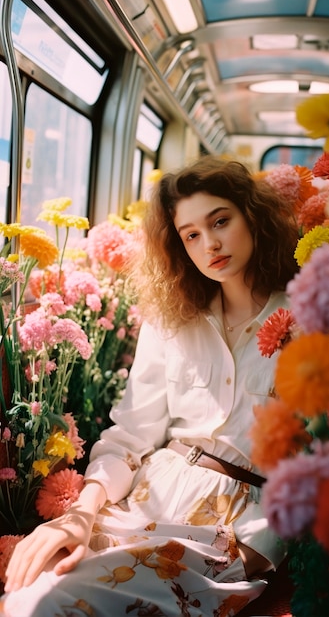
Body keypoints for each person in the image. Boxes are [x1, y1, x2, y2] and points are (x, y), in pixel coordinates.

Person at [1, 155, 299, 617]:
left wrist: (270, 540)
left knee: (57, 602)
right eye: (192, 235)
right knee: (23, 596)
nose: (211, 244)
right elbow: (130, 437)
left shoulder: (310, 314)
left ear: (252, 216)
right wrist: (81, 515)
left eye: (221, 220)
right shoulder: (173, 322)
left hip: (235, 521)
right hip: (148, 493)